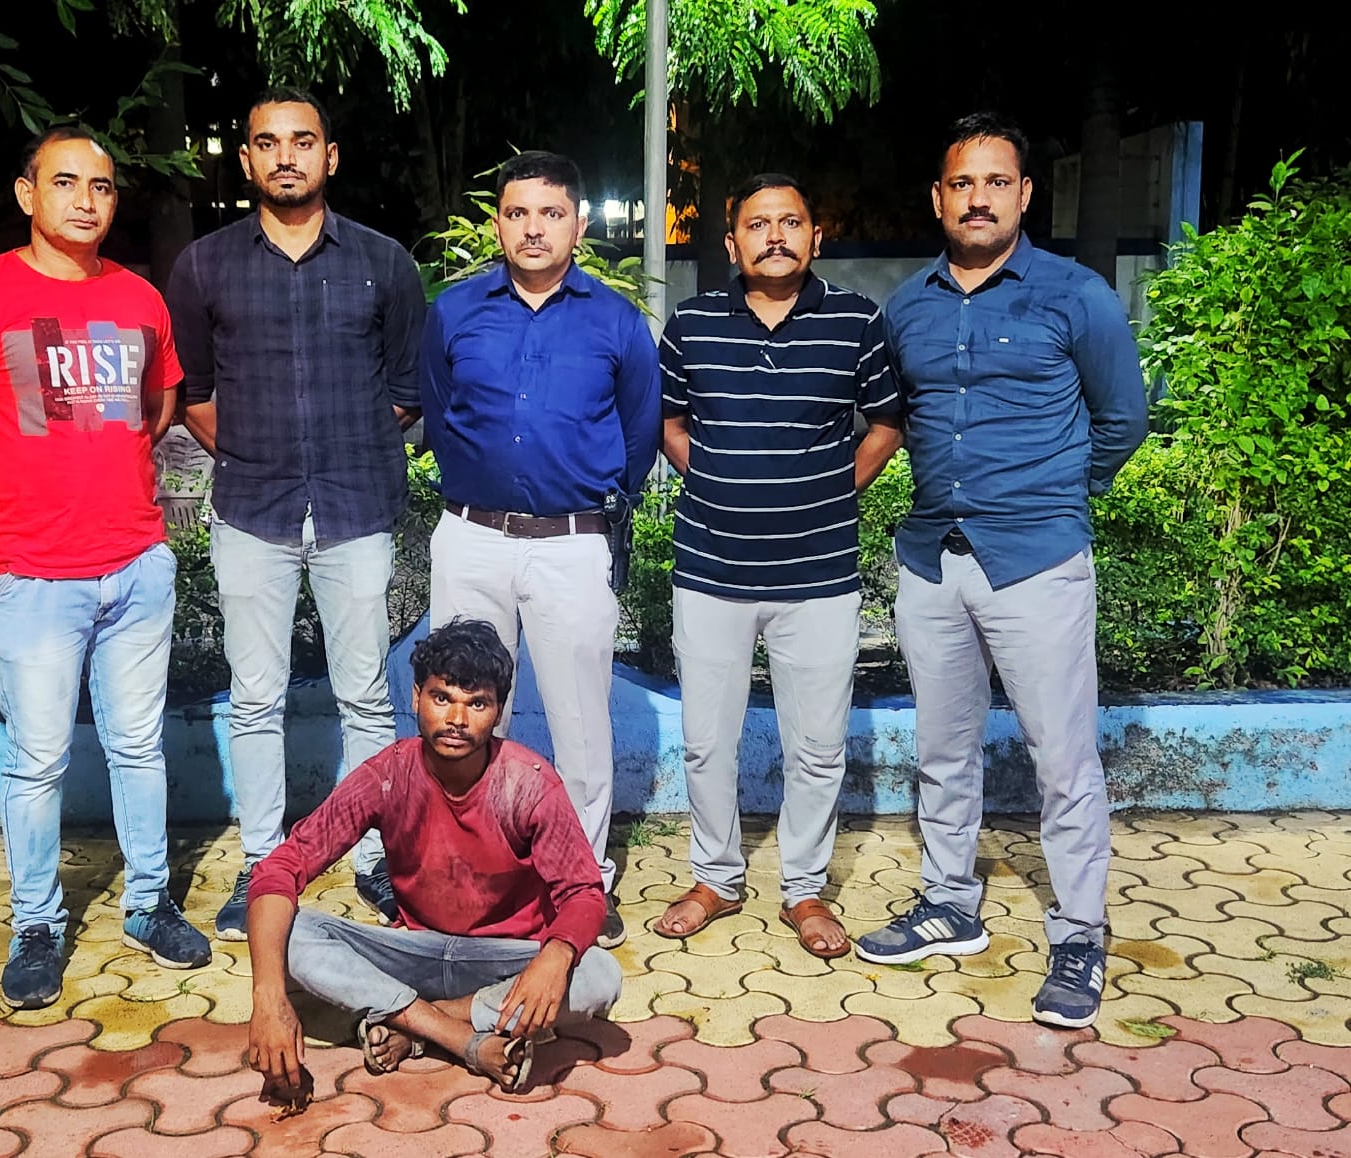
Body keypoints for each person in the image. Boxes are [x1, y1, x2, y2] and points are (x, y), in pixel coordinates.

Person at [0, 126, 211, 1010]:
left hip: (136, 565)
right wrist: (7, 494)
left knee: (139, 746)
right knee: (37, 760)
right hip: (33, 575)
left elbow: (157, 408)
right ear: (27, 194)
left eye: (102, 187)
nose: (85, 200)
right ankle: (36, 924)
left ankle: (149, 905)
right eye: (66, 182)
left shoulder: (139, 298)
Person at [855, 113, 1149, 1030]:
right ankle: (950, 903)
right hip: (932, 560)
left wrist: (1055, 497)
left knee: (1063, 759)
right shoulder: (908, 307)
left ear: (1024, 193)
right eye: (961, 183)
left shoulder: (1076, 295)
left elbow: (1124, 419)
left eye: (995, 182)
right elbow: (894, 419)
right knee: (943, 749)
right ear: (938, 197)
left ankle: (1080, 935)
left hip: (1037, 563)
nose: (977, 198)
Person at [165, 88, 427, 939]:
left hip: (356, 506)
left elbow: (404, 391)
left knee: (365, 696)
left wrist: (339, 446)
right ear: (246, 159)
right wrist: (258, 453)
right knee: (254, 698)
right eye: (268, 142)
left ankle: (375, 858)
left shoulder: (384, 263)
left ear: (329, 156)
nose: (286, 156)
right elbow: (195, 396)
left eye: (303, 141)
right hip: (252, 509)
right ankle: (262, 863)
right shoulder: (203, 266)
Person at [652, 174, 904, 957]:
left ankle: (804, 889)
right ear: (732, 242)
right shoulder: (692, 323)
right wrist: (714, 482)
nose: (774, 236)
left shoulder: (856, 320)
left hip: (818, 575)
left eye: (790, 222)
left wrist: (832, 489)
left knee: (818, 746)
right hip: (711, 569)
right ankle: (715, 879)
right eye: (757, 225)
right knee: (707, 741)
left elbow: (886, 423)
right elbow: (668, 420)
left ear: (814, 236)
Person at [419, 151, 661, 950]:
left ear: (578, 225)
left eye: (550, 214)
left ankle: (581, 883)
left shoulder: (616, 322)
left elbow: (637, 437)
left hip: (571, 546)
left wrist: (582, 495)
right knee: (462, 715)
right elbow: (440, 413)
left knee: (579, 722)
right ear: (498, 223)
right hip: (471, 539)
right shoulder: (455, 312)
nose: (533, 228)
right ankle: (472, 876)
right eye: (517, 213)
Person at [245, 619, 623, 1094]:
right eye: (442, 698)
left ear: (498, 711)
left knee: (598, 974)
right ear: (416, 698)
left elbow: (584, 894)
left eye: (477, 703)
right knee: (292, 933)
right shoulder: (387, 775)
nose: (457, 719)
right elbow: (280, 868)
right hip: (415, 952)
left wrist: (555, 956)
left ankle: (416, 1025)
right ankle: (459, 1037)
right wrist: (268, 998)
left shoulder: (529, 784)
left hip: (506, 960)